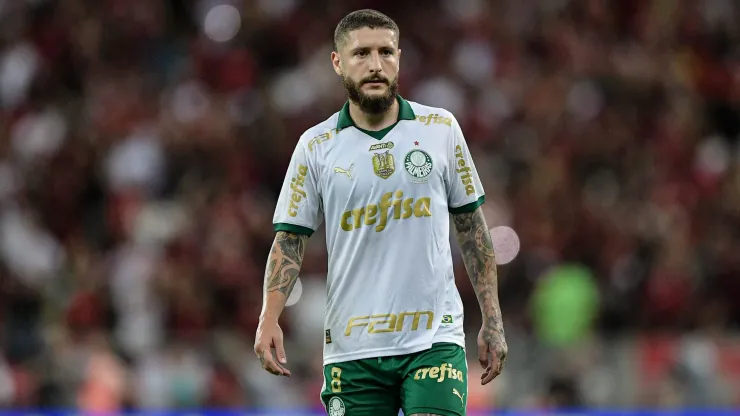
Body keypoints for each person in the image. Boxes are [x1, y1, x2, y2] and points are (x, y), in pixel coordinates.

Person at [254, 9, 507, 416]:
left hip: (433, 341)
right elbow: (290, 240)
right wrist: (269, 317)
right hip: (353, 349)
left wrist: (492, 318)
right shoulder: (315, 146)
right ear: (337, 62)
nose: (375, 65)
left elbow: (473, 229)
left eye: (386, 52)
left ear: (399, 58)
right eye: (361, 54)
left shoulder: (440, 129)